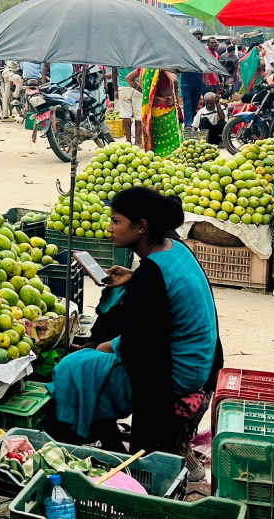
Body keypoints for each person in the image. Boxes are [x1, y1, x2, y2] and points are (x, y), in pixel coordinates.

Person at [51, 188, 222, 470]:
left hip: (177, 375)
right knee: (109, 325)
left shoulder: (150, 276)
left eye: (116, 221)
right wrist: (133, 278)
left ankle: (102, 443)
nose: (109, 229)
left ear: (141, 227)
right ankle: (111, 442)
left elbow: (136, 346)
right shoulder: (176, 248)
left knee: (76, 366)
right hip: (201, 360)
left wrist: (100, 347)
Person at [131, 67, 181, 156]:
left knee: (156, 137)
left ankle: (156, 158)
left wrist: (147, 93)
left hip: (152, 109)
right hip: (166, 107)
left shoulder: (145, 67)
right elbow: (174, 79)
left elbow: (129, 79)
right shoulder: (164, 66)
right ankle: (170, 158)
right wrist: (176, 96)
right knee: (170, 137)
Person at [115, 67, 142, 145]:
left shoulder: (118, 56)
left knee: (126, 114)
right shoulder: (138, 55)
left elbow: (114, 74)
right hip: (137, 86)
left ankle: (128, 140)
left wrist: (116, 89)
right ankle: (138, 141)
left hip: (123, 87)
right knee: (138, 115)